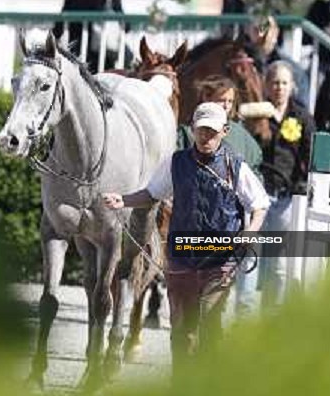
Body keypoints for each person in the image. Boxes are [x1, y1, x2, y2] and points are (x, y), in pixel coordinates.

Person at [103, 102, 269, 376]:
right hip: (181, 258)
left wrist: (250, 232)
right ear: (192, 129)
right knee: (182, 330)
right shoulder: (176, 162)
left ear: (225, 131)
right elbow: (151, 194)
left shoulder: (235, 166)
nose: (205, 137)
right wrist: (124, 200)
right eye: (201, 130)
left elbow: (260, 204)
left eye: (212, 132)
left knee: (208, 320)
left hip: (221, 259)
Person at [176, 75, 264, 318]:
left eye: (230, 101)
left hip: (227, 229)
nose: (226, 106)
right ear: (206, 100)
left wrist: (249, 223)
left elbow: (256, 182)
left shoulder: (243, 138)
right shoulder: (185, 134)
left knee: (214, 305)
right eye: (221, 100)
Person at [253, 61, 316, 309]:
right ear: (266, 86)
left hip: (286, 198)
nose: (279, 87)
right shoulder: (256, 113)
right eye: (274, 82)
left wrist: (302, 184)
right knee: (250, 264)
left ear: (292, 87)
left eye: (283, 83)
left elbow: (310, 154)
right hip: (257, 196)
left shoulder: (301, 116)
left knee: (277, 267)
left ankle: (270, 323)